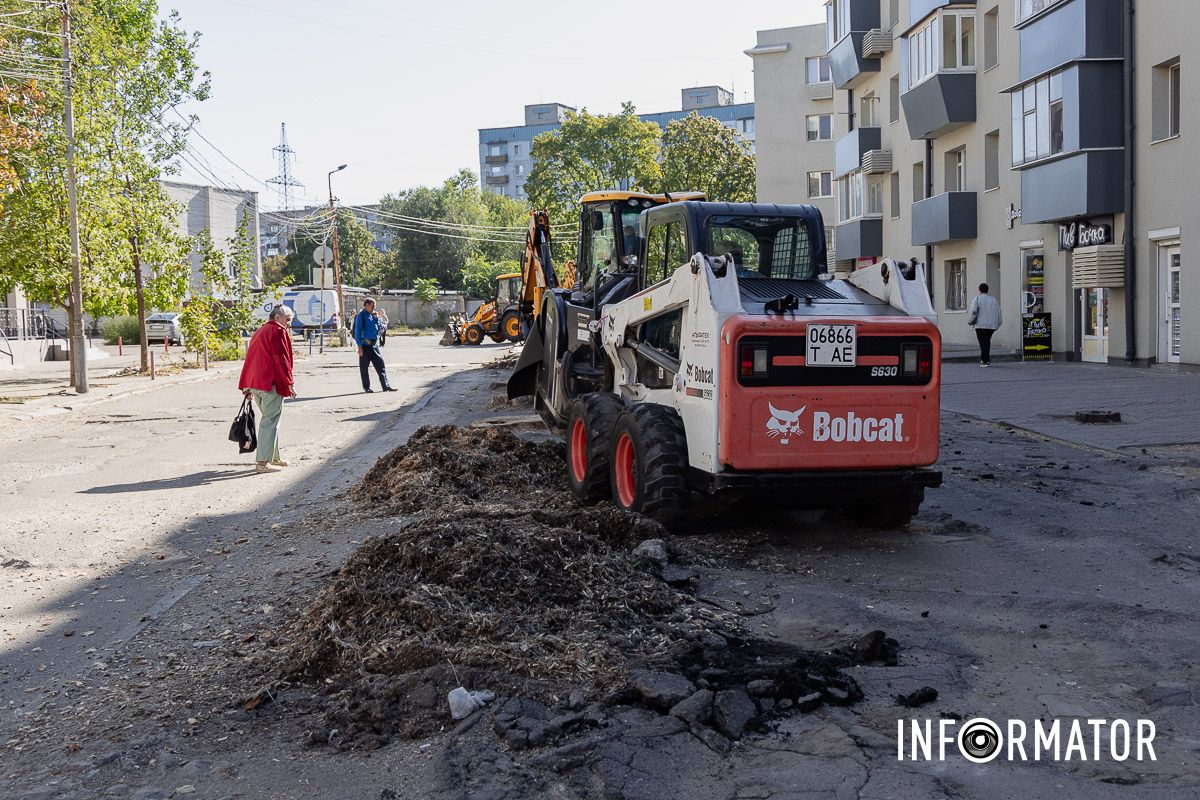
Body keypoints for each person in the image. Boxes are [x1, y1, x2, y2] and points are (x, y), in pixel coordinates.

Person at [238, 305, 296, 473]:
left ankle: (274, 457)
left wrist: (247, 386)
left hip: (256, 383)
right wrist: (289, 382)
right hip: (270, 383)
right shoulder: (278, 331)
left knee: (271, 420)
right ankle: (263, 462)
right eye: (288, 319)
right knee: (270, 422)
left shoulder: (260, 330)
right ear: (278, 317)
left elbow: (251, 358)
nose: (289, 323)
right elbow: (282, 359)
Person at [353, 297, 396, 393]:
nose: (374, 307)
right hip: (365, 345)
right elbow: (357, 332)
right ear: (367, 305)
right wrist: (359, 347)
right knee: (364, 368)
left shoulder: (372, 315)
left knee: (380, 365)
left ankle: (386, 386)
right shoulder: (361, 316)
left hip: (374, 345)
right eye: (373, 305)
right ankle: (366, 387)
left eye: (375, 306)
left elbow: (377, 329)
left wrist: (376, 319)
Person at [968, 282, 1003, 367]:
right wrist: (998, 324)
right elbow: (999, 312)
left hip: (980, 325)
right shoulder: (993, 299)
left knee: (983, 343)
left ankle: (984, 361)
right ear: (987, 290)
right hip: (991, 325)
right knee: (987, 342)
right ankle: (986, 359)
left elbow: (973, 310)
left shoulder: (977, 299)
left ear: (979, 290)